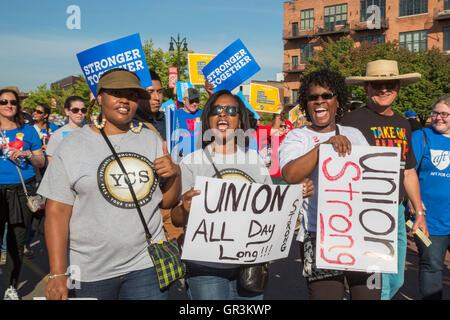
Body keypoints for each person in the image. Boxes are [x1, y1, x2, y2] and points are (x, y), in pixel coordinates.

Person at [37, 68, 181, 300]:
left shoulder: (151, 139)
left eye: (132, 95)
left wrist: (175, 174)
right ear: (100, 97)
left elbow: (166, 201)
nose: (125, 100)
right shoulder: (72, 145)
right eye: (116, 92)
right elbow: (57, 211)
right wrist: (57, 273)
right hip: (91, 272)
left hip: (146, 267)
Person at [171, 89, 314, 300]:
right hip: (206, 267)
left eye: (230, 110)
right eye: (216, 110)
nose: (223, 114)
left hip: (249, 266)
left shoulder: (254, 161)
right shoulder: (191, 162)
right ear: (208, 118)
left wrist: (295, 195)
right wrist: (184, 208)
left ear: (239, 121)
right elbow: (175, 219)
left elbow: (271, 209)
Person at [279, 69, 375, 300]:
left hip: (361, 233)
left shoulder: (355, 134)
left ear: (338, 100)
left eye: (327, 95)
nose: (320, 101)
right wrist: (323, 147)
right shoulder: (297, 137)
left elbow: (372, 178)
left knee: (369, 296)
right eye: (313, 97)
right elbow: (290, 174)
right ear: (306, 102)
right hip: (318, 236)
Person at [342, 59, 429, 300]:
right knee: (372, 280)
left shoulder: (402, 123)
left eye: (389, 84)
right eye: (377, 85)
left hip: (396, 213)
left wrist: (419, 214)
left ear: (398, 87)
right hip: (365, 212)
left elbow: (409, 171)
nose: (383, 90)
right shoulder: (351, 121)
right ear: (367, 88)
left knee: (395, 278)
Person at [0, 87, 45, 300]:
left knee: (16, 242)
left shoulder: (28, 131)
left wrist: (27, 154)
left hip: (22, 189)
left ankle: (11, 286)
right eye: (3, 102)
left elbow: (41, 160)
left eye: (12, 102)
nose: (8, 105)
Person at [135, 69, 184, 243]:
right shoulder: (129, 124)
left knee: (175, 258)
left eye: (159, 91)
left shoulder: (169, 119)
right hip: (144, 205)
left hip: (171, 199)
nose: (157, 97)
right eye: (150, 93)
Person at [410, 96, 450, 300]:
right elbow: (408, 173)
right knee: (431, 267)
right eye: (435, 113)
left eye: (444, 114)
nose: (438, 118)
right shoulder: (421, 137)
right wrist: (413, 203)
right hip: (428, 220)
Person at [46, 96, 86, 162]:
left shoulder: (91, 131)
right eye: (75, 110)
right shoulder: (57, 135)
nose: (80, 113)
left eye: (83, 110)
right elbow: (51, 161)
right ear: (67, 111)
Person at [172, 87, 203, 161]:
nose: (194, 103)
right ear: (184, 101)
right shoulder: (176, 114)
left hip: (200, 157)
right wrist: (178, 152)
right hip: (183, 158)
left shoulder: (202, 113)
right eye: (191, 101)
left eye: (197, 101)